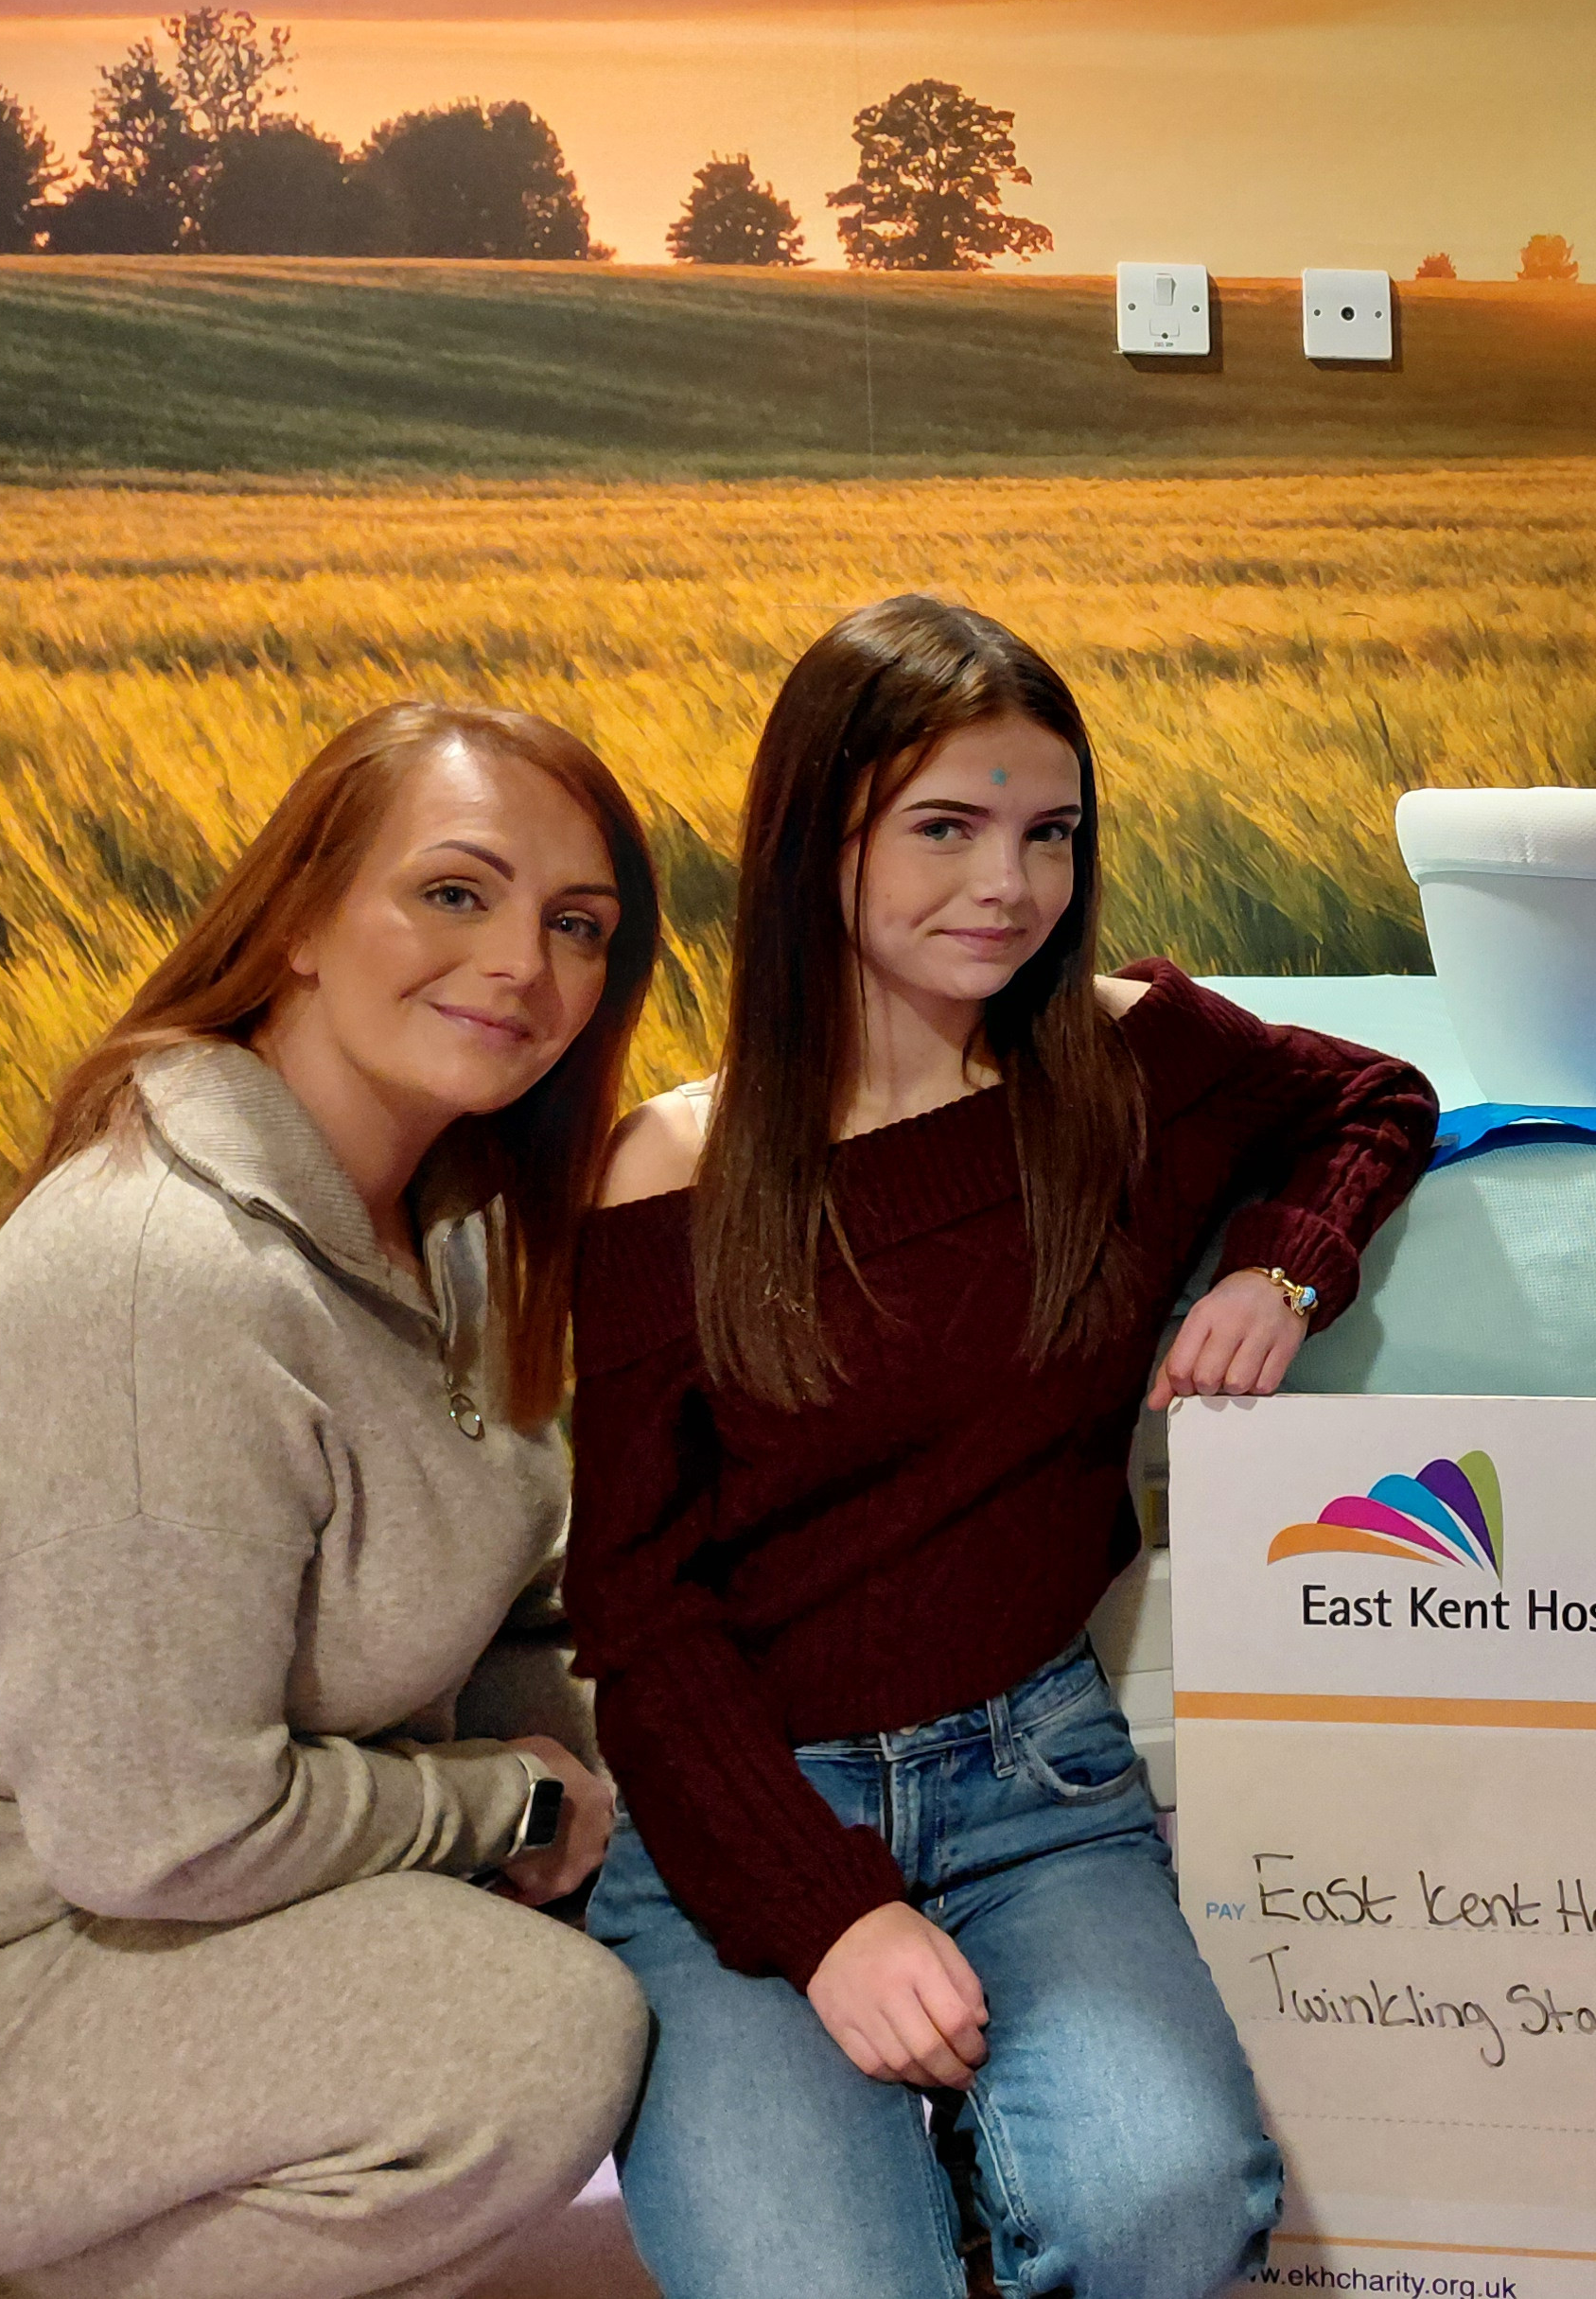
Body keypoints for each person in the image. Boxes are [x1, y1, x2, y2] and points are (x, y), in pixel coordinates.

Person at [567, 593, 1436, 2299]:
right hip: (742, 1805)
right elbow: (639, 1617)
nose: (1010, 884)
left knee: (1170, 2208)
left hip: (1035, 1784)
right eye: (946, 827)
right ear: (818, 838)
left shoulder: (1129, 1065)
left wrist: (1283, 1269)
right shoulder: (672, 1170)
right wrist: (827, 1916)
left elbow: (1372, 1096)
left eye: (1051, 833)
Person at [0, 701, 664, 2299]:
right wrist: (511, 1806)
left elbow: (515, 1605)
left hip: (150, 1921)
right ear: (298, 921)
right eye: (455, 892)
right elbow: (164, 1834)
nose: (523, 964)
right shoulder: (166, 1280)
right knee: (526, 2039)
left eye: (579, 926)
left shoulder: (450, 1222)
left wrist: (684, 1795)